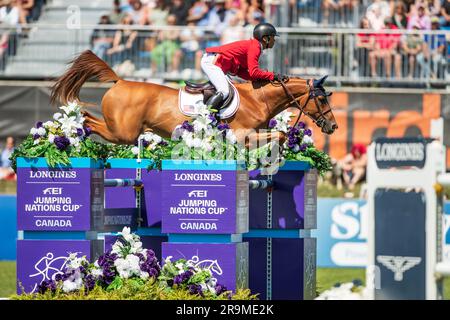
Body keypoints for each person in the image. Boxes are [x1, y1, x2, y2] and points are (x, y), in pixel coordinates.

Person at [200, 22, 283, 110]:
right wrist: (272, 76)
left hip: (215, 62)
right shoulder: (255, 47)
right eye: (273, 37)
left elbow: (241, 71)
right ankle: (205, 116)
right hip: (212, 62)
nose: (274, 40)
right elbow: (254, 72)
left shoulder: (254, 46)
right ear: (265, 38)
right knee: (224, 91)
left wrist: (263, 78)